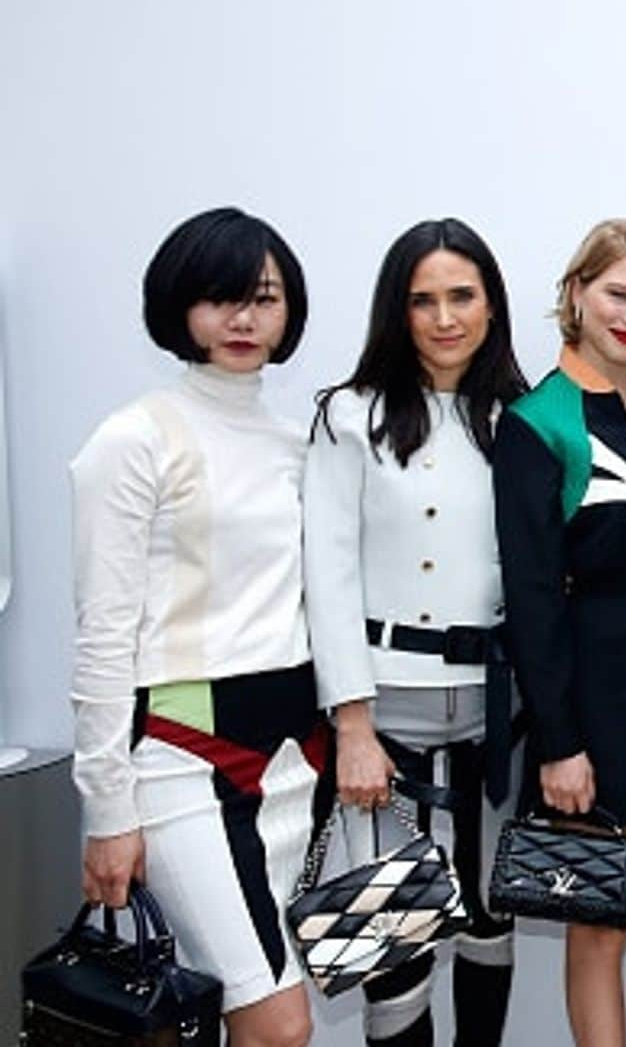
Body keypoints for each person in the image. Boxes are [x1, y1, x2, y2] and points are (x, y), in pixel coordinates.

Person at [71, 207, 326, 1047]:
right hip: (182, 757)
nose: (243, 320)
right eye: (220, 299)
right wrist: (107, 810)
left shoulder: (298, 443)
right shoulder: (133, 440)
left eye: (263, 298)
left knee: (239, 1011)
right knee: (278, 1025)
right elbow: (103, 636)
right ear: (180, 305)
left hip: (293, 758)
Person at [304, 218, 530, 1046]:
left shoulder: (524, 417)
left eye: (461, 296)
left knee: (487, 922)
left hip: (498, 713)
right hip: (385, 716)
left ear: (491, 305)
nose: (444, 318)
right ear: (394, 313)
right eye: (422, 300)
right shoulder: (348, 416)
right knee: (392, 944)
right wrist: (351, 726)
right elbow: (325, 576)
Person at [492, 218, 626, 1047]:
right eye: (619, 294)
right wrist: (559, 741)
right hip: (592, 689)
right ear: (576, 292)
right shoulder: (535, 422)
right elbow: (532, 596)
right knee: (598, 919)